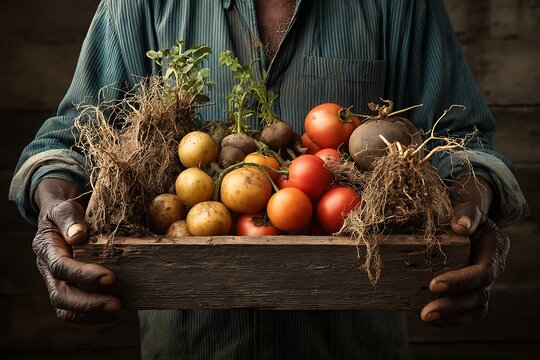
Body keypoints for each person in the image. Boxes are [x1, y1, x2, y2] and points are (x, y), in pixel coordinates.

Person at [10, 0, 529, 359]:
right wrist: (53, 207)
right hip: (192, 346)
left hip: (353, 344)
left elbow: (463, 145)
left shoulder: (399, 6)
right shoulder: (139, 6)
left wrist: (472, 204)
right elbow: (66, 144)